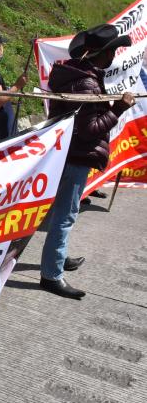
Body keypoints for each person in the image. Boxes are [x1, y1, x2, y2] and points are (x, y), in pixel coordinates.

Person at [40, 23, 135, 299]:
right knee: (64, 216)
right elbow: (88, 129)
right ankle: (51, 275)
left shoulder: (78, 74)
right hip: (75, 155)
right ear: (99, 54)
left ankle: (56, 258)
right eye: (112, 50)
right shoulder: (85, 81)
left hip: (67, 154)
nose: (115, 55)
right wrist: (117, 109)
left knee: (60, 213)